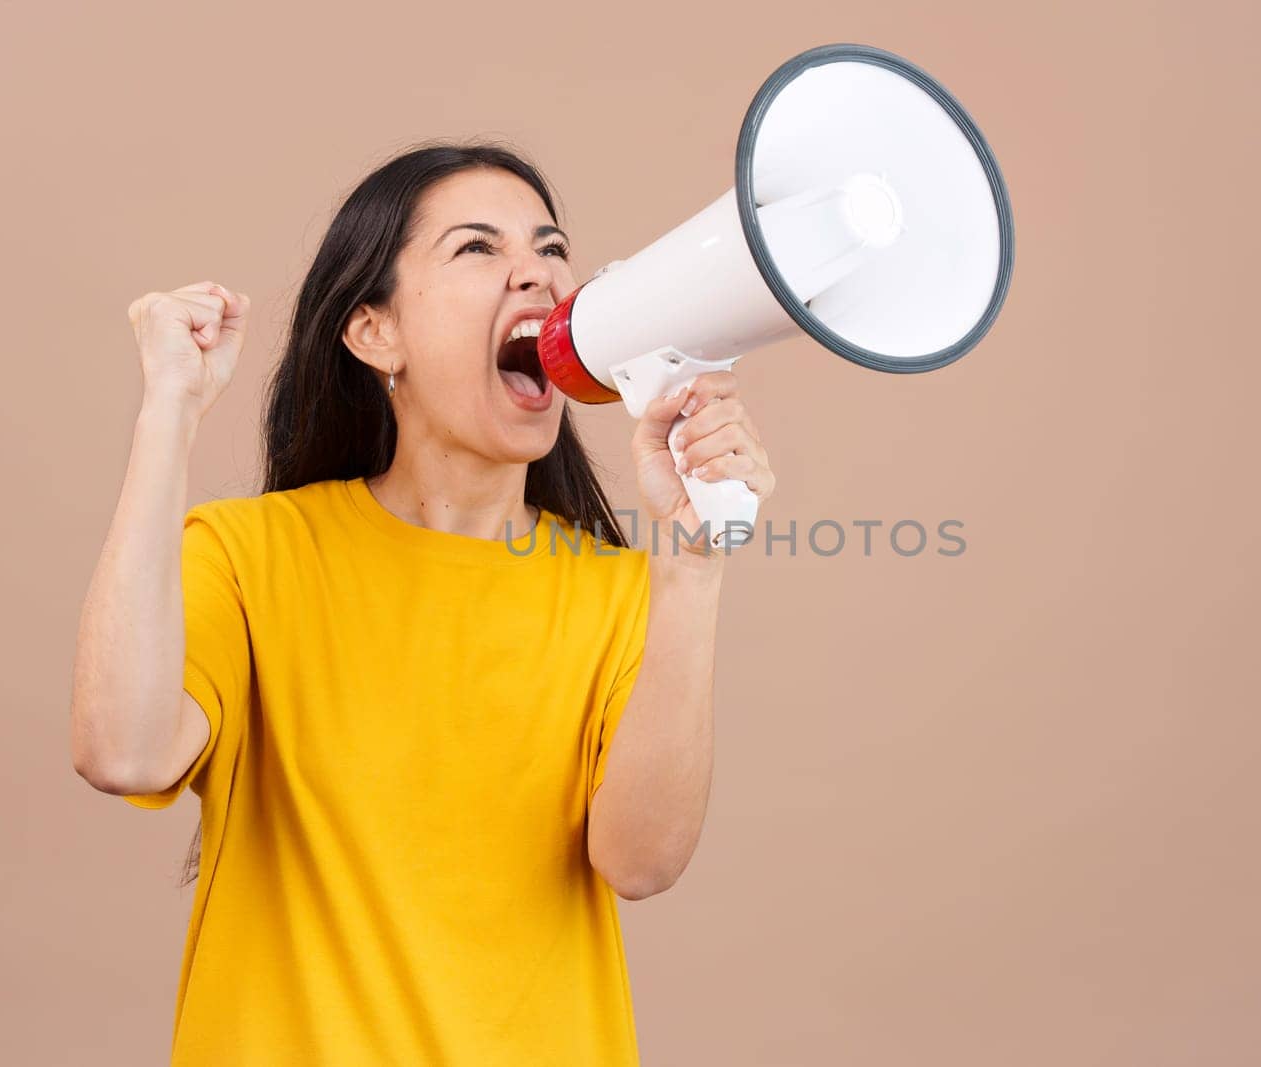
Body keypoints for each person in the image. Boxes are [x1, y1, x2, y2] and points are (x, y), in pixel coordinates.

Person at [68, 141, 776, 1066]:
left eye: (550, 248)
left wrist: (694, 564)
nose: (536, 271)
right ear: (374, 333)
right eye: (478, 249)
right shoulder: (250, 557)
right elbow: (122, 751)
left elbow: (642, 862)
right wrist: (168, 408)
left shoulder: (622, 593)